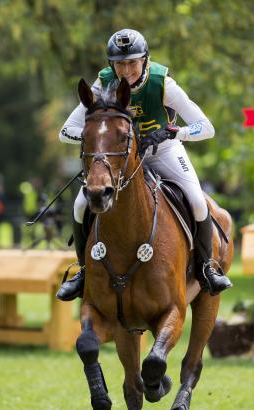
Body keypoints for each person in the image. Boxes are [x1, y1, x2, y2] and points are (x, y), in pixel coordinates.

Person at [56, 28, 232, 301]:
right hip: (119, 159)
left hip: (163, 150)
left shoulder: (163, 84)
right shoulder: (102, 84)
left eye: (132, 62)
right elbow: (66, 131)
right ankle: (83, 272)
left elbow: (206, 127)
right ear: (110, 64)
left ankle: (206, 267)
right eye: (119, 63)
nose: (125, 70)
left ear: (145, 60)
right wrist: (98, 137)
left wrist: (179, 132)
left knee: (197, 200)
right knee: (80, 204)